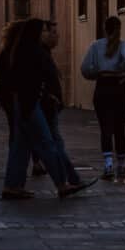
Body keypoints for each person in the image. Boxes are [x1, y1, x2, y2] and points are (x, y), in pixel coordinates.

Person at [0, 18, 87, 200]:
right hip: (30, 105)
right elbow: (39, 80)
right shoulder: (34, 52)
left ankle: (12, 185)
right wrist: (48, 95)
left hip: (21, 104)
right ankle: (62, 184)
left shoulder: (17, 51)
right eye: (43, 31)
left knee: (20, 147)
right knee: (47, 144)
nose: (46, 34)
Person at [81, 15, 125, 181]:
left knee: (105, 127)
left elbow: (85, 68)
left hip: (103, 87)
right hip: (119, 87)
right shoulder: (124, 45)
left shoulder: (96, 46)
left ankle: (108, 164)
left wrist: (96, 73)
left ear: (105, 28)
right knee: (120, 127)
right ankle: (122, 165)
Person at [38, 20, 88, 189]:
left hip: (48, 107)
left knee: (53, 144)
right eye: (53, 32)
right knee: (54, 145)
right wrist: (50, 98)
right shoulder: (41, 55)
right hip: (46, 108)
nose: (57, 36)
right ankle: (68, 181)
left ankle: (71, 179)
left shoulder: (44, 54)